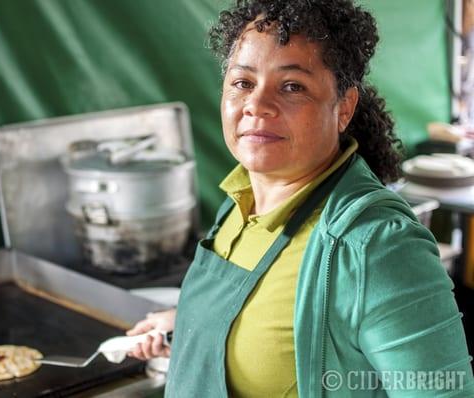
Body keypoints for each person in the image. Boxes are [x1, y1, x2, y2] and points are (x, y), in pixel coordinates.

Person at [127, 0, 474, 396]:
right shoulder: (240, 201)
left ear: (343, 107)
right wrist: (187, 322)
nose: (256, 105)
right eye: (243, 83)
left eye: (292, 87)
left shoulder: (377, 246)